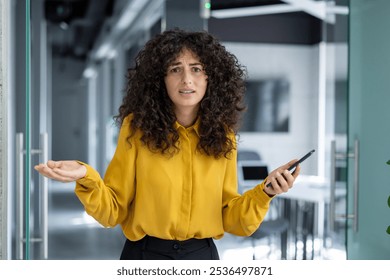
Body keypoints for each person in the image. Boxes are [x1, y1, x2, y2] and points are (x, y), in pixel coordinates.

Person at [34, 28, 301, 260]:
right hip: (144, 256)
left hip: (201, 258)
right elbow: (112, 211)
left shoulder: (223, 137)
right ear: (161, 80)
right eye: (176, 69)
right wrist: (86, 176)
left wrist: (265, 192)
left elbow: (231, 219)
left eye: (196, 69)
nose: (186, 79)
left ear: (211, 78)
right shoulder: (136, 130)